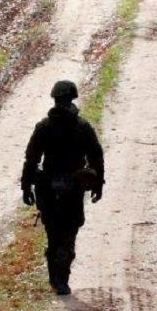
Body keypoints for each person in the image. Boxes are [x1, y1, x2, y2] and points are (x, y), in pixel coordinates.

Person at [20, 80, 104, 295]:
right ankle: (61, 278)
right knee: (68, 234)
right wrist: (98, 184)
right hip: (73, 188)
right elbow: (96, 156)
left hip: (48, 188)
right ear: (73, 98)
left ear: (55, 99)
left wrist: (26, 186)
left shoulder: (43, 127)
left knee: (53, 234)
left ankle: (55, 277)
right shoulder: (82, 127)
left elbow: (31, 159)